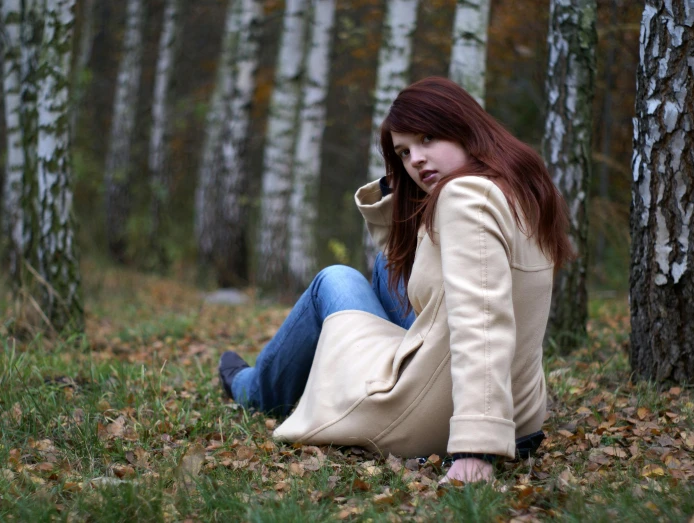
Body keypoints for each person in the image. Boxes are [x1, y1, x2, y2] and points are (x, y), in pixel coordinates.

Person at [218, 76, 573, 484]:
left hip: (435, 414)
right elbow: (413, 268)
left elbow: (483, 321)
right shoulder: (520, 191)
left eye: (427, 138)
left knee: (332, 279)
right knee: (386, 266)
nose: (416, 160)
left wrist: (476, 448)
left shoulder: (463, 198)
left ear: (466, 129)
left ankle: (254, 391)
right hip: (520, 412)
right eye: (404, 152)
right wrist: (400, 194)